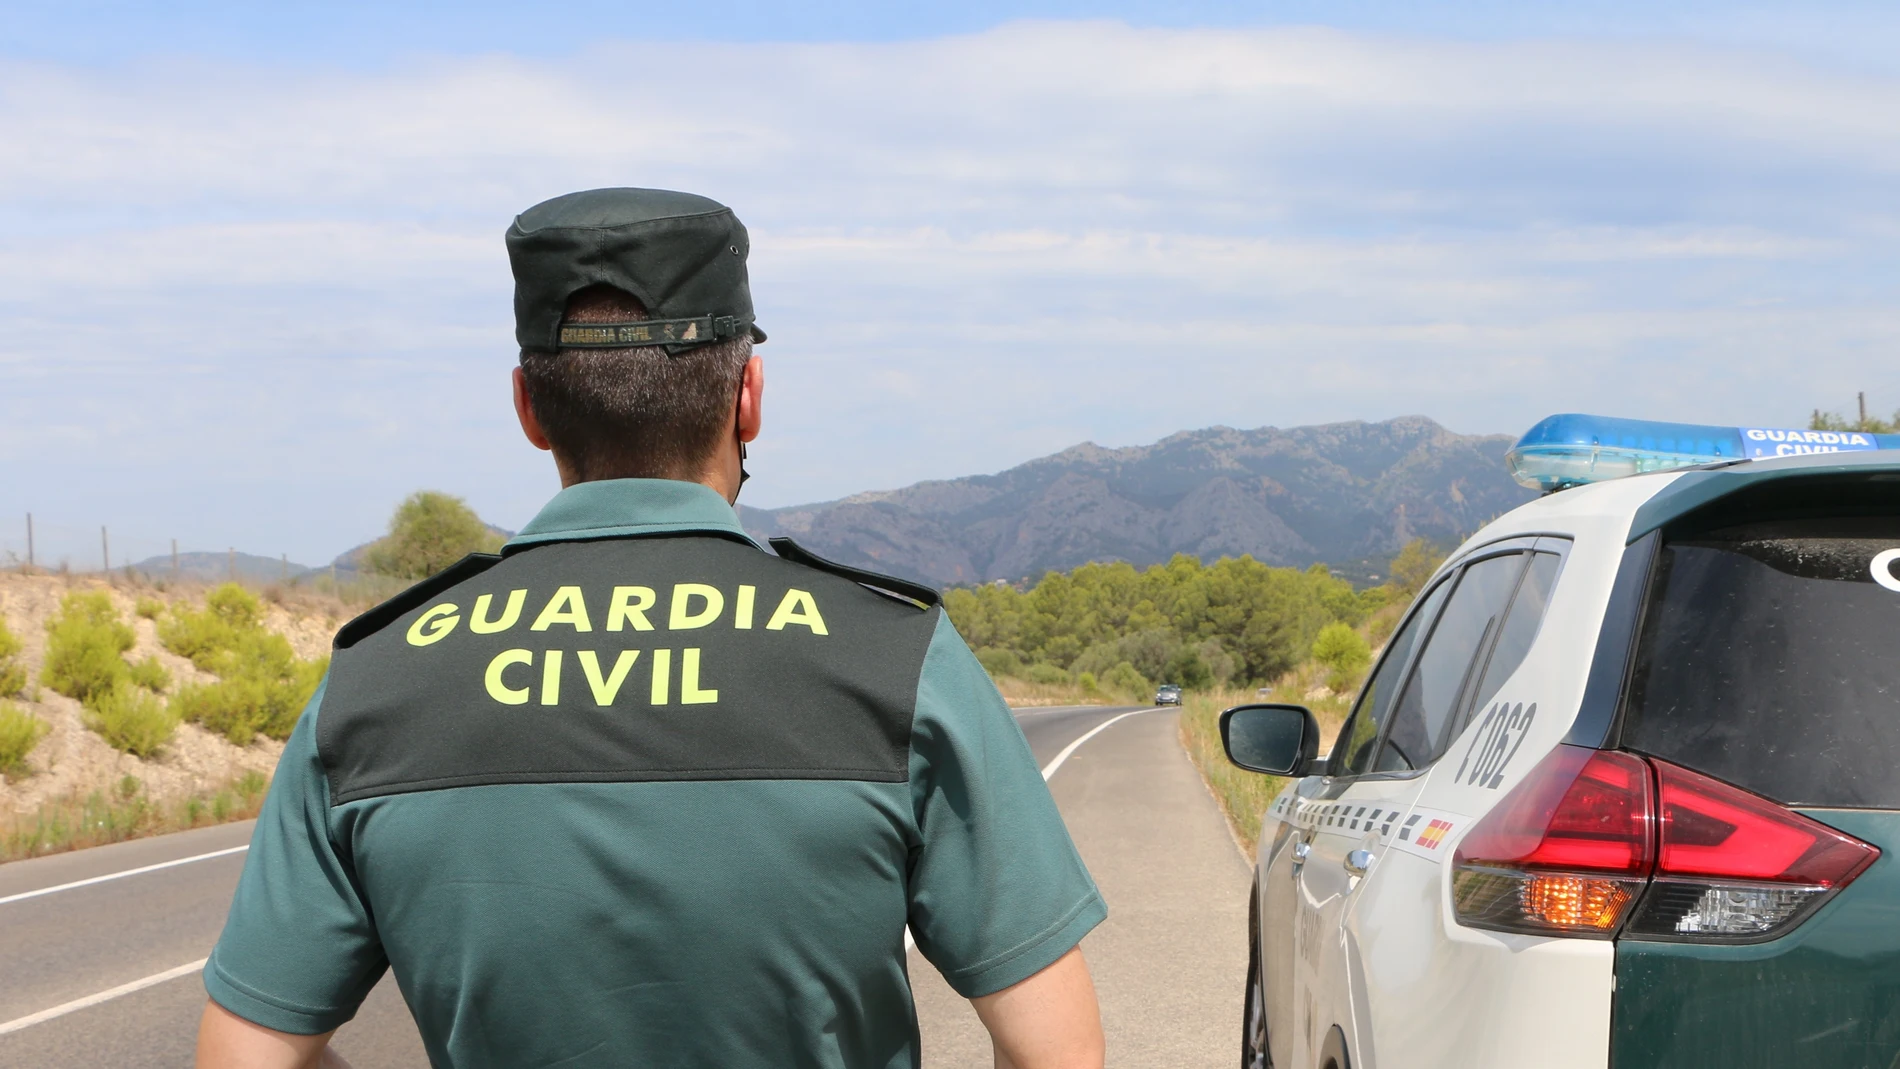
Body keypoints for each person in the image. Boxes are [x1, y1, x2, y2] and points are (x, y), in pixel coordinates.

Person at [194, 188, 1108, 1069]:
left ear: (528, 406)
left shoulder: (375, 682)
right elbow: (1056, 1049)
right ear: (748, 396)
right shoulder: (895, 657)